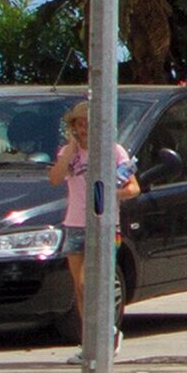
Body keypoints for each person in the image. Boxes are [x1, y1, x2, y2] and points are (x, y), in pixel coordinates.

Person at [47, 103, 133, 354]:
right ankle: (90, 343)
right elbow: (54, 179)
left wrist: (109, 194)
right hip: (74, 223)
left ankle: (108, 332)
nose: (84, 128)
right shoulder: (68, 152)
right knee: (80, 287)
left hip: (105, 225)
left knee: (96, 282)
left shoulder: (114, 152)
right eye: (79, 124)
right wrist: (71, 149)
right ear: (73, 127)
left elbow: (132, 187)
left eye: (88, 123)